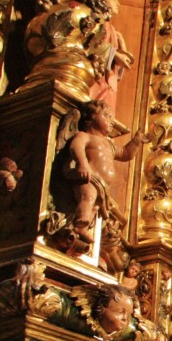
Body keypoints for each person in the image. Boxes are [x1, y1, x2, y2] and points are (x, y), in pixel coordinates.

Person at [67, 100, 147, 243]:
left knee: (96, 206)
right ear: (92, 117)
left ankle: (84, 227)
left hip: (103, 185)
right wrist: (83, 164)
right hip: (89, 178)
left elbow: (125, 154)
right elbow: (76, 147)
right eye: (106, 116)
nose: (111, 121)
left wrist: (136, 141)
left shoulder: (109, 143)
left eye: (111, 118)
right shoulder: (85, 136)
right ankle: (79, 224)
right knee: (89, 197)